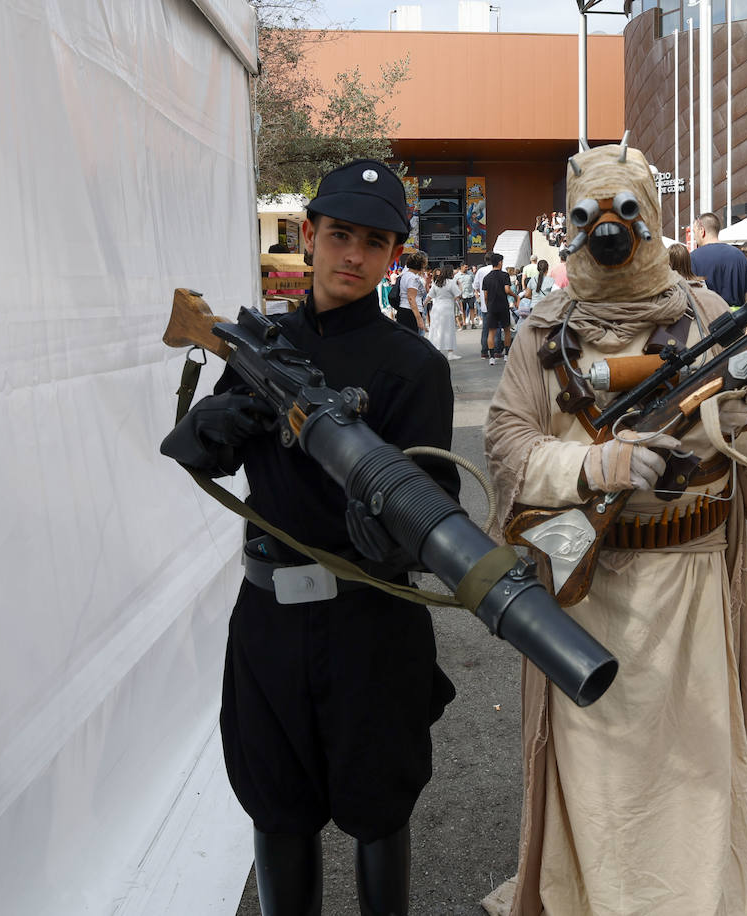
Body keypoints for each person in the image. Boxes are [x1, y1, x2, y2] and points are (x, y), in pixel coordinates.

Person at [483, 141, 747, 916]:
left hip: (690, 582)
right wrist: (593, 468)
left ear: (650, 218)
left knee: (694, 762)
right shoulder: (545, 331)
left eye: (627, 213)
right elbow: (506, 442)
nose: (610, 233)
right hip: (584, 591)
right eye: (592, 216)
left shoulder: (708, 317)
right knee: (598, 773)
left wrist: (741, 419)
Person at [161, 159, 458, 915]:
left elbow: (436, 506)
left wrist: (387, 531)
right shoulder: (262, 344)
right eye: (339, 235)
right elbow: (195, 454)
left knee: (378, 812)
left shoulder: (413, 366)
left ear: (394, 254)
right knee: (278, 810)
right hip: (271, 623)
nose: (353, 256)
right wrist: (210, 421)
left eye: (374, 242)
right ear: (309, 237)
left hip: (371, 620)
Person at [689, 212, 747, 307]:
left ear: (702, 231)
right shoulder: (739, 256)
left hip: (708, 317)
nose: (694, 237)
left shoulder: (692, 258)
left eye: (694, 232)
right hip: (737, 318)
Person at [481, 253, 515, 364]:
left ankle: (491, 357)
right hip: (503, 306)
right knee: (506, 330)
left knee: (491, 332)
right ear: (500, 262)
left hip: (491, 307)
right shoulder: (505, 275)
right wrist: (515, 296)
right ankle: (506, 355)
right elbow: (507, 290)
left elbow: (485, 296)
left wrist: (488, 305)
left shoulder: (486, 278)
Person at [425, 266, 461, 359]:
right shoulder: (451, 283)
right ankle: (450, 353)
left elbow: (429, 296)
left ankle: (436, 351)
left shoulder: (437, 282)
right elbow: (458, 295)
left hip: (436, 308)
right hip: (447, 308)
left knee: (436, 329)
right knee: (449, 330)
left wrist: (423, 305)